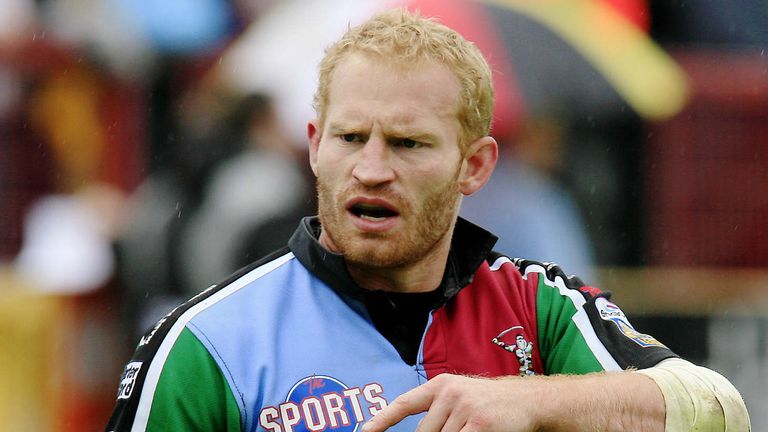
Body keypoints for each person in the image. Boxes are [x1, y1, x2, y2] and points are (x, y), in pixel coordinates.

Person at [105, 8, 750, 432]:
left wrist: (520, 402)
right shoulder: (203, 343)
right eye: (351, 137)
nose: (372, 168)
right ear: (313, 145)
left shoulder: (535, 305)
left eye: (408, 144)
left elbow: (719, 410)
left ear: (474, 166)